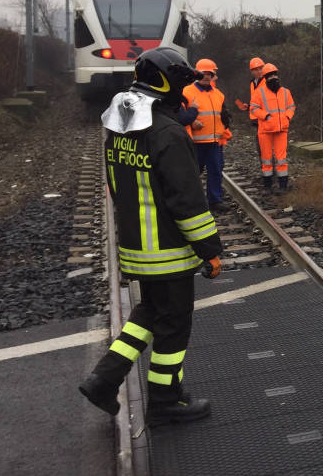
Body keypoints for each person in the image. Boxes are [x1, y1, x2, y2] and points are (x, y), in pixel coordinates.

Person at [79, 47, 223, 427]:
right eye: (182, 83)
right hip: (168, 250)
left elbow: (114, 186)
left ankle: (103, 380)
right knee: (174, 323)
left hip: (136, 247)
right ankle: (165, 399)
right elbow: (187, 202)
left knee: (150, 312)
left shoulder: (121, 124)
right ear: (170, 83)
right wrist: (210, 250)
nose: (186, 91)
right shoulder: (169, 133)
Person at [182, 58, 231, 213]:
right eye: (203, 73)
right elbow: (179, 114)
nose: (206, 76)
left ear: (213, 75)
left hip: (214, 142)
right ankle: (191, 202)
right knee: (193, 173)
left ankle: (215, 201)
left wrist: (225, 133)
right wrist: (192, 122)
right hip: (194, 143)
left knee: (216, 171)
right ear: (197, 73)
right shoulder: (186, 92)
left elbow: (223, 116)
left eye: (209, 73)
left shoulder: (219, 95)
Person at [250, 62, 296, 192]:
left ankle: (283, 186)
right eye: (270, 75)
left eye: (275, 74)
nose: (273, 77)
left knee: (281, 159)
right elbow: (253, 108)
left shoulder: (286, 92)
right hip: (265, 130)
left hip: (281, 130)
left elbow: (291, 106)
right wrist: (266, 116)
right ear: (265, 77)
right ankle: (268, 185)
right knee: (266, 159)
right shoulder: (259, 92)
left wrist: (287, 117)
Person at [236, 56, 266, 159]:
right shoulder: (252, 83)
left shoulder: (268, 82)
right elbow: (256, 101)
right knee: (260, 147)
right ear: (251, 71)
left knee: (265, 147)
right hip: (256, 119)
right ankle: (266, 171)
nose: (259, 71)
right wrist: (248, 106)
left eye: (260, 68)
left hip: (265, 118)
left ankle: (269, 172)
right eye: (256, 69)